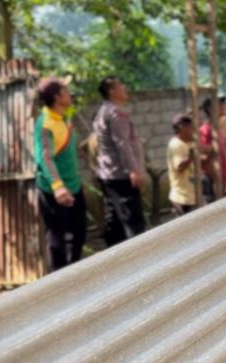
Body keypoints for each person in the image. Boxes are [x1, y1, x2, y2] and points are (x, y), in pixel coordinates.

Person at [34, 77, 86, 273]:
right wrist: (58, 186)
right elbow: (45, 158)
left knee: (79, 234)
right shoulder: (45, 123)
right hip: (55, 189)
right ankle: (58, 281)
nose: (69, 93)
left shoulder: (62, 117)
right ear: (57, 97)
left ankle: (74, 276)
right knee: (57, 239)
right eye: (66, 90)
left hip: (74, 185)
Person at [93, 76, 146, 247]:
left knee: (114, 222)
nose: (125, 87)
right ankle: (139, 258)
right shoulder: (117, 112)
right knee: (133, 222)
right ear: (112, 92)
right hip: (121, 175)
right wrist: (133, 170)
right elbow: (122, 143)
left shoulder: (103, 111)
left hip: (109, 173)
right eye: (121, 85)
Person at [199, 97, 226, 203]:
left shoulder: (216, 129)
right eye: (219, 105)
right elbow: (204, 158)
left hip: (222, 182)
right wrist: (217, 182)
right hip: (214, 183)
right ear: (209, 109)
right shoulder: (205, 130)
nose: (223, 107)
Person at [167, 114, 197, 216]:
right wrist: (191, 157)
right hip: (182, 197)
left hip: (190, 196)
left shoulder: (187, 143)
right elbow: (179, 167)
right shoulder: (175, 144)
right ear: (182, 128)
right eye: (190, 128)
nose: (192, 130)